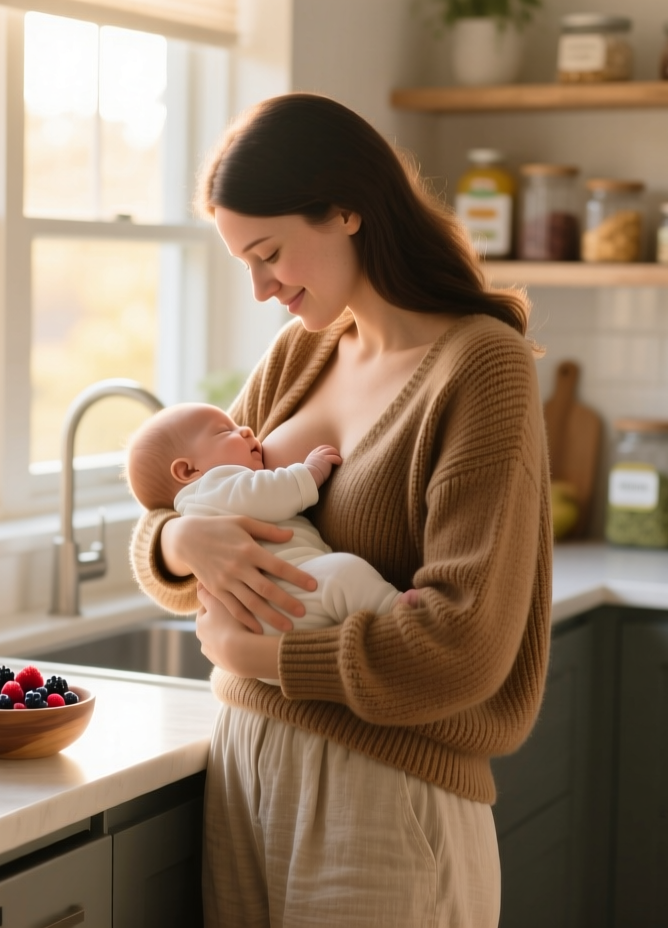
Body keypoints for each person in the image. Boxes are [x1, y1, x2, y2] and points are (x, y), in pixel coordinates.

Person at [127, 93, 552, 927]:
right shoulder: (302, 350)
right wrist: (182, 539)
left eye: (270, 253)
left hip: (385, 794)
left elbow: (464, 647)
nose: (259, 289)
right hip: (247, 768)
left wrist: (262, 659)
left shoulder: (480, 367)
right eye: (243, 263)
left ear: (348, 209)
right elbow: (181, 500)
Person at [125, 402, 404, 687]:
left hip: (269, 627)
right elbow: (269, 494)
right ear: (187, 471)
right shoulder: (216, 486)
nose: (247, 429)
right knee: (344, 573)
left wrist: (246, 653)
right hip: (283, 598)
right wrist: (308, 473)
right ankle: (394, 608)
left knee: (340, 579)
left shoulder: (207, 491)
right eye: (225, 431)